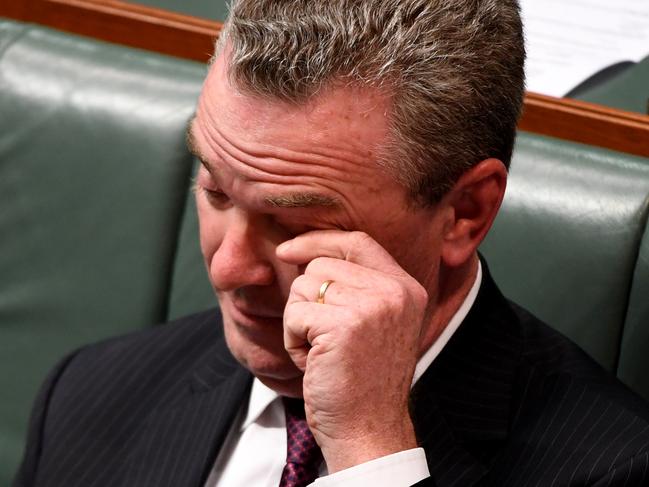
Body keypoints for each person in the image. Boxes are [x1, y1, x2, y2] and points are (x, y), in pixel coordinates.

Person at [14, 0, 649, 486]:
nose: (230, 268)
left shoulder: (615, 468)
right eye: (215, 190)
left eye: (296, 225)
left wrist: (369, 451)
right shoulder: (91, 395)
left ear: (465, 211)